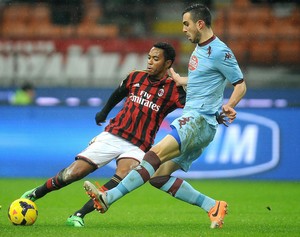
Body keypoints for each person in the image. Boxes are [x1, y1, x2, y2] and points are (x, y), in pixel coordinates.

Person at [83, 3, 247, 229]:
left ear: (200, 24)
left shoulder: (221, 51)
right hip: (201, 124)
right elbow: (205, 79)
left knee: (152, 155)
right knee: (158, 176)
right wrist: (182, 81)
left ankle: (108, 197)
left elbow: (240, 84)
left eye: (186, 24)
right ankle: (213, 205)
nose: (183, 29)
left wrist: (230, 104)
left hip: (197, 121)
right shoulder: (199, 49)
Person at [20, 42, 187, 227]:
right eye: (149, 57)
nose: (150, 62)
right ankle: (36, 193)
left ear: (168, 63)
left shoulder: (174, 90)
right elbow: (118, 93)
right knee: (73, 174)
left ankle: (78, 215)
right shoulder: (135, 77)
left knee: (124, 175)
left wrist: (215, 115)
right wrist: (104, 112)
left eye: (156, 59)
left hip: (139, 145)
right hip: (113, 135)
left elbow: (196, 106)